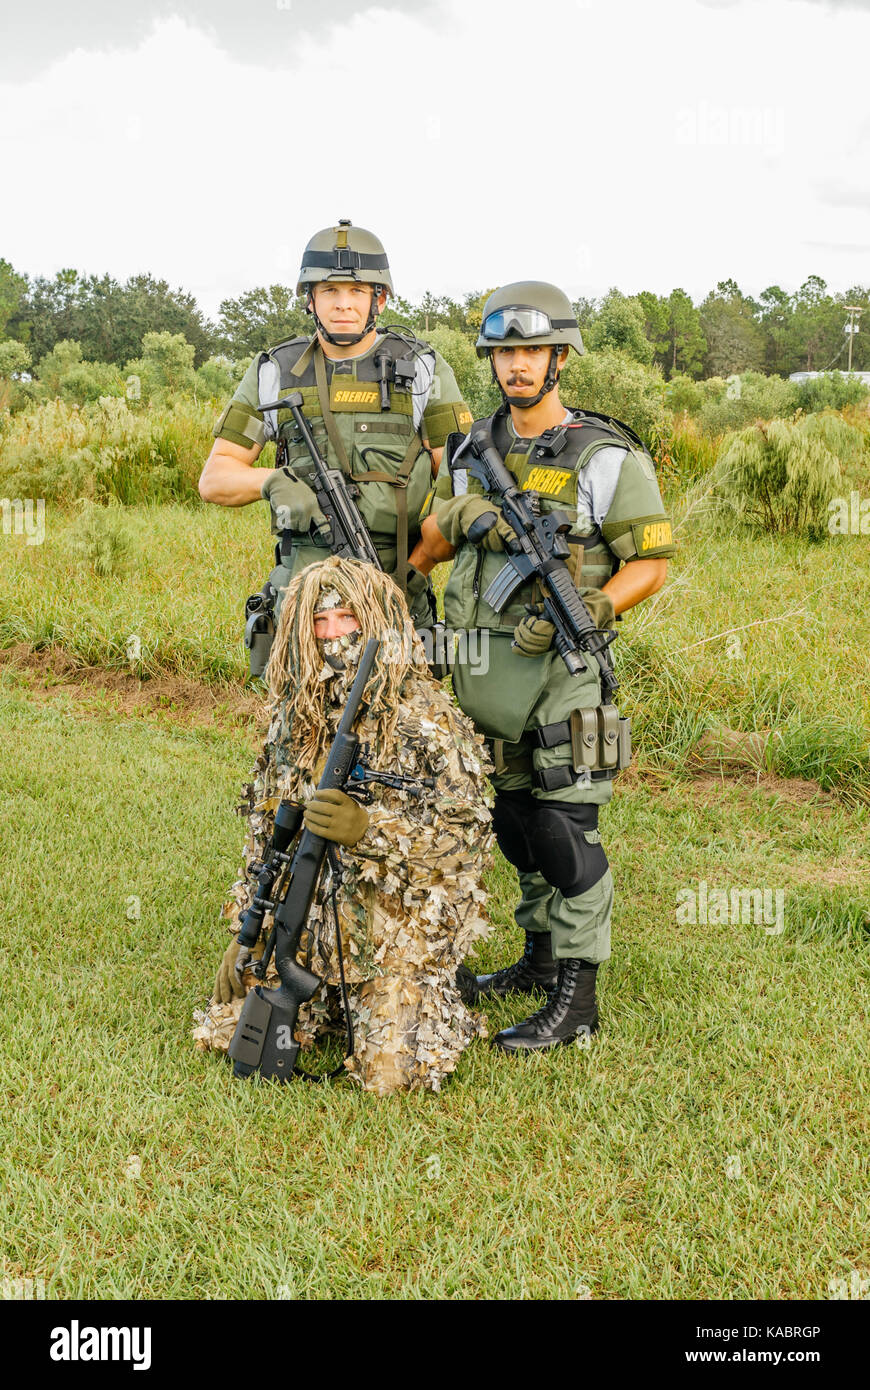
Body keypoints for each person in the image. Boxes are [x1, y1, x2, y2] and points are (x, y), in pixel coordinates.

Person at [417, 281, 675, 1053]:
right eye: (504, 353)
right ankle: (537, 958)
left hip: (567, 671)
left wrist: (598, 608)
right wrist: (464, 516)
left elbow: (651, 560)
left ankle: (578, 996)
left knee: (568, 832)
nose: (517, 366)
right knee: (517, 825)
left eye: (531, 351)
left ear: (559, 357)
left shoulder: (604, 454)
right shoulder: (472, 450)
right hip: (488, 677)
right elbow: (431, 537)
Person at [193, 556, 494, 1095]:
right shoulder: (295, 715)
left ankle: (417, 989)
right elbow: (266, 837)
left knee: (391, 1075)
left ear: (373, 620)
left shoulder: (423, 715)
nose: (334, 635)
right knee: (230, 1031)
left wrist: (370, 829)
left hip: (398, 919)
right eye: (319, 620)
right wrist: (249, 931)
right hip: (313, 909)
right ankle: (325, 994)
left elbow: (465, 837)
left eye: (347, 616)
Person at [198, 220, 472, 672]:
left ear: (377, 299)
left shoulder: (421, 367)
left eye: (356, 291)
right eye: (329, 291)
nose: (343, 304)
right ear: (310, 298)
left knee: (403, 726)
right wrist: (273, 481)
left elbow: (460, 480)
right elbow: (215, 478)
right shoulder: (276, 370)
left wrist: (418, 566)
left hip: (396, 578)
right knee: (302, 728)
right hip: (305, 590)